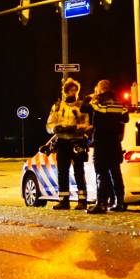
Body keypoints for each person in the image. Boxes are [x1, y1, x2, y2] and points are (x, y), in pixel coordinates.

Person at [82, 80, 130, 214]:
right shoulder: (118, 102)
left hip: (101, 142)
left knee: (101, 173)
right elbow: (126, 119)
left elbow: (83, 108)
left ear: (100, 89)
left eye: (96, 88)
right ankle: (119, 202)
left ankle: (101, 203)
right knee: (116, 173)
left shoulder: (98, 101)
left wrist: (90, 97)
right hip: (115, 142)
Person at [46, 78, 91, 210]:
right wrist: (57, 128)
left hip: (77, 141)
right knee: (62, 172)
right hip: (62, 142)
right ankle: (64, 201)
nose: (74, 94)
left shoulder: (81, 107)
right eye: (71, 91)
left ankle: (82, 201)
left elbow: (87, 124)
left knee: (79, 171)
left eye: (75, 91)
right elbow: (49, 125)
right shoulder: (57, 107)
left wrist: (77, 128)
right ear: (65, 92)